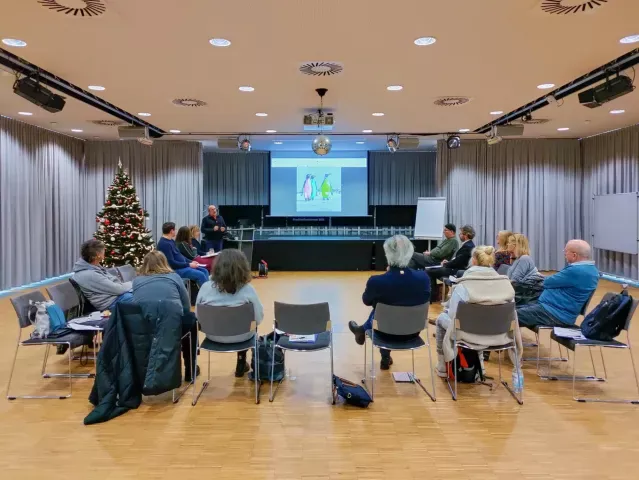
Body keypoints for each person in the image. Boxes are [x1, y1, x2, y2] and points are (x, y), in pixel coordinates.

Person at [434, 245, 520, 376]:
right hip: (500, 336)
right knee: (482, 319)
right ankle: (481, 366)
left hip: (468, 335)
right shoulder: (506, 285)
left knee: (442, 319)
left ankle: (442, 366)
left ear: (473, 260)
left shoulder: (464, 285)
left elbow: (453, 316)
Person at [348, 235, 431, 370]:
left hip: (384, 333)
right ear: (410, 253)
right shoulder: (423, 278)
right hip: (413, 332)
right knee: (385, 311)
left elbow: (366, 301)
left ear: (388, 254)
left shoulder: (376, 281)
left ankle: (362, 331)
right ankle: (372, 342)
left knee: (379, 311)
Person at [132, 251, 199, 382]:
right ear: (164, 262)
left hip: (145, 328)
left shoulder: (137, 281)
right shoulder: (174, 277)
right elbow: (185, 307)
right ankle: (190, 369)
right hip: (171, 327)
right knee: (191, 319)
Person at [196, 249, 264, 377]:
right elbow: (258, 318)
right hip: (243, 336)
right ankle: (241, 361)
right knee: (252, 324)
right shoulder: (248, 290)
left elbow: (198, 318)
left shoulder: (205, 287)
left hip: (212, 336)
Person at [517, 239, 599, 328]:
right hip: (554, 310)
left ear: (574, 255)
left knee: (508, 316)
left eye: (566, 251)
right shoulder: (591, 269)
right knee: (511, 311)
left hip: (554, 314)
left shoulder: (576, 270)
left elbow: (547, 283)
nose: (564, 253)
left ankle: (507, 341)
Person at [72, 239, 133, 311]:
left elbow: (115, 284)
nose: (104, 252)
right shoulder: (90, 274)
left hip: (117, 297)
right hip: (111, 303)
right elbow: (117, 289)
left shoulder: (94, 267)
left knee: (144, 294)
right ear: (98, 254)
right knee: (144, 298)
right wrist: (134, 283)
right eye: (103, 250)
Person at [426, 225, 476, 301]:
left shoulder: (467, 246)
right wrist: (448, 262)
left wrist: (446, 264)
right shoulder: (469, 245)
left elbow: (458, 262)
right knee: (431, 270)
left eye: (461, 233)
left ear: (465, 235)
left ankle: (431, 297)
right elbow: (458, 259)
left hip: (457, 271)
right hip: (455, 268)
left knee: (429, 271)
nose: (459, 235)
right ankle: (434, 296)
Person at [157, 222, 209, 287]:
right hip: (176, 269)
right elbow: (171, 263)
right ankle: (205, 294)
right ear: (171, 231)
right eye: (175, 229)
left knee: (204, 270)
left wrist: (190, 261)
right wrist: (189, 264)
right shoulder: (164, 244)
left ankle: (206, 291)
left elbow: (180, 255)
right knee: (200, 275)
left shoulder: (171, 241)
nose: (176, 231)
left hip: (183, 266)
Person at [507, 234, 545, 306]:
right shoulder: (518, 259)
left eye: (509, 242)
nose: (507, 244)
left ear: (515, 245)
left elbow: (514, 281)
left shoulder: (524, 259)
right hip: (521, 292)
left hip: (525, 295)